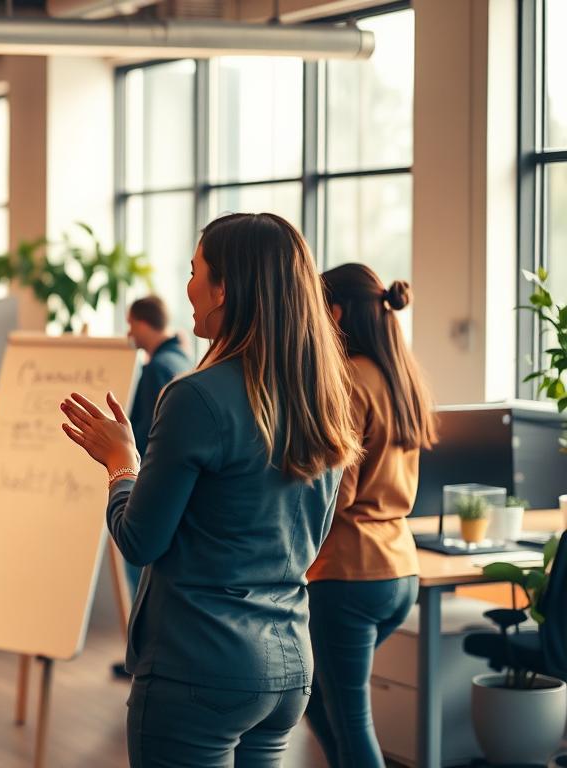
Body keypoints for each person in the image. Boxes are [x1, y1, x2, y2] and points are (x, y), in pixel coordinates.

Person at [60, 212, 358, 767]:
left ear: (225, 287)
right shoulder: (324, 397)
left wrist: (122, 464)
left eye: (195, 270)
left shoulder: (195, 397)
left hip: (198, 665)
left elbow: (139, 540)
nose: (188, 286)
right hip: (288, 666)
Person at [304, 264, 435, 768]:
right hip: (399, 568)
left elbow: (339, 489)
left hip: (350, 573)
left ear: (334, 313)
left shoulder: (349, 380)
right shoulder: (401, 374)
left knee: (352, 722)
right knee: (319, 696)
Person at [121, 297, 194, 596]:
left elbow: (151, 432)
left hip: (147, 479)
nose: (128, 334)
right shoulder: (182, 360)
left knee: (137, 563)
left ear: (141, 323)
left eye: (130, 325)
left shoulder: (157, 369)